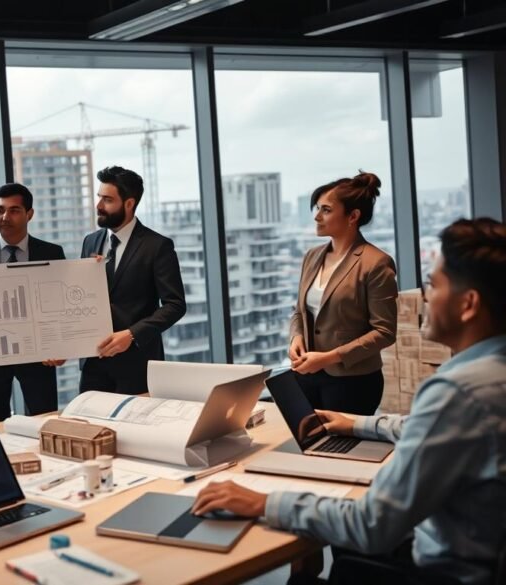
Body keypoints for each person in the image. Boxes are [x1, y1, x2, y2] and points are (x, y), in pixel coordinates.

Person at [193, 218, 506, 585]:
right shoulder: (486, 380)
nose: (424, 297)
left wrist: (263, 502)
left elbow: (373, 525)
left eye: (434, 285)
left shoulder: (458, 392)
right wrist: (355, 423)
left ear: (468, 304)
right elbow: (423, 427)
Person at [289, 172, 398, 415]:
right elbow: (299, 311)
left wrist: (329, 357)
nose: (317, 216)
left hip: (353, 382)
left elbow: (385, 332)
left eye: (326, 210)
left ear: (353, 216)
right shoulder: (312, 256)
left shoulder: (376, 263)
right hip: (306, 377)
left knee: (343, 451)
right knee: (309, 448)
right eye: (317, 208)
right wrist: (296, 338)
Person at [79, 166, 186, 395]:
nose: (98, 206)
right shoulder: (90, 242)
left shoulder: (157, 246)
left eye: (107, 200)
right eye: (99, 198)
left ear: (129, 204)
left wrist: (132, 334)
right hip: (93, 366)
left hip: (138, 366)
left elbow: (175, 305)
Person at [0, 183, 66, 422]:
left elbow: (61, 306)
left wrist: (61, 346)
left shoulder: (52, 252)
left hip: (39, 354)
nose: (5, 217)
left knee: (44, 419)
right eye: (0, 209)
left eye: (14, 210)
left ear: (29, 214)